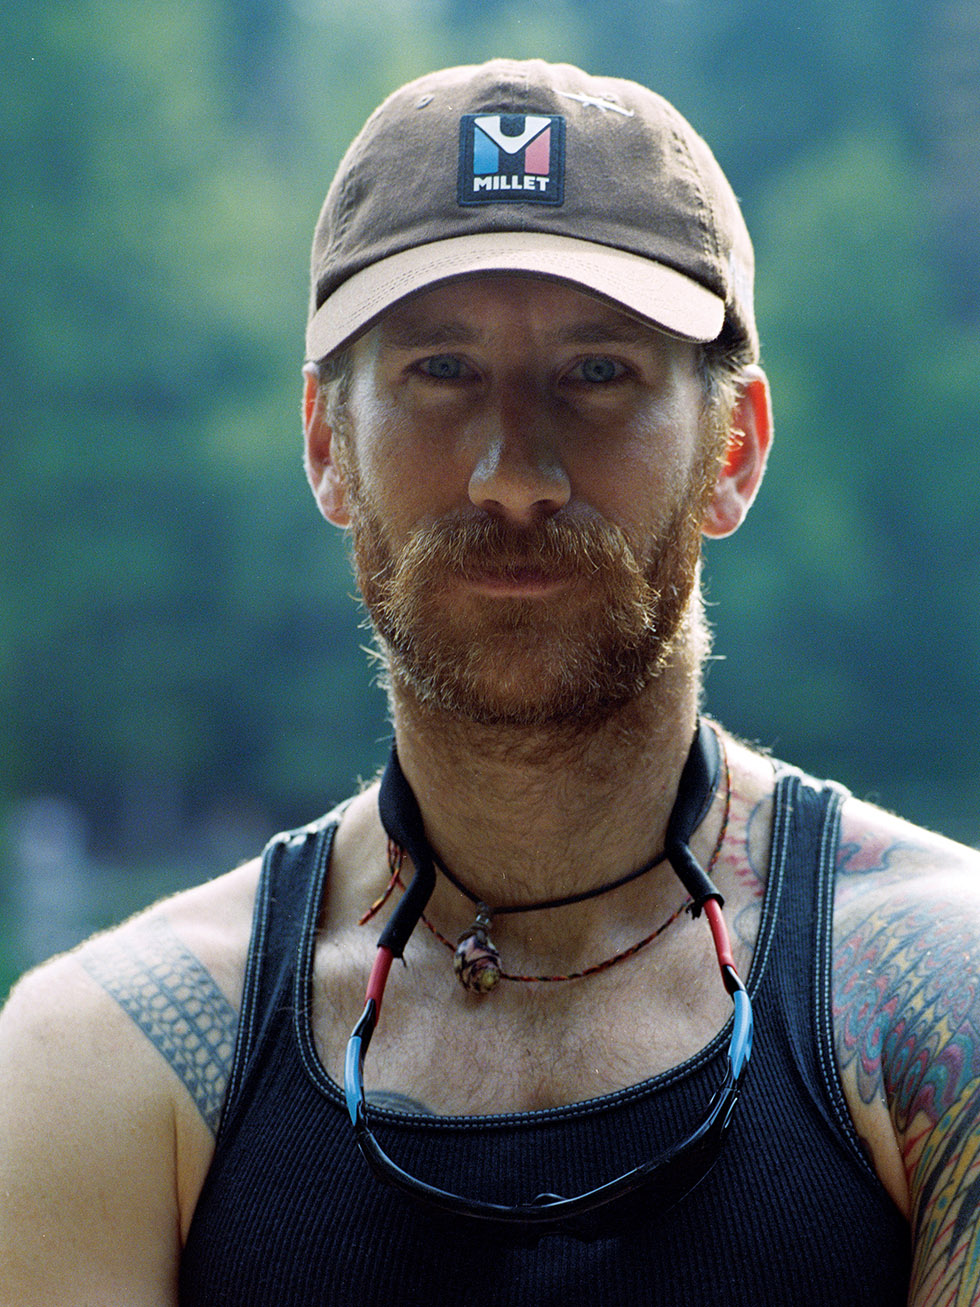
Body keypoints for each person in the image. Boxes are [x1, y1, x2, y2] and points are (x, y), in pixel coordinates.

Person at [1, 57, 979, 1307]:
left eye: (597, 371)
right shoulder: (108, 1065)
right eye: (441, 372)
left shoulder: (937, 1004)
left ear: (732, 448)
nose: (513, 473)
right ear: (326, 443)